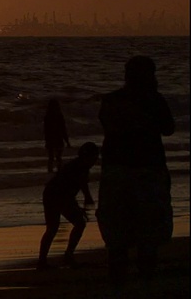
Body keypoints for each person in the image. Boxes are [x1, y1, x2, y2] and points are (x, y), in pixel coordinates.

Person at [96, 55, 175, 285]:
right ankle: (146, 275)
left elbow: (108, 126)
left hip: (115, 169)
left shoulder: (111, 100)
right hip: (148, 168)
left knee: (116, 225)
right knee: (149, 226)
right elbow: (168, 128)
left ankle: (118, 275)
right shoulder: (155, 100)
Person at [37, 141, 99, 270]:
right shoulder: (77, 168)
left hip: (52, 193)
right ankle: (65, 256)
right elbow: (69, 189)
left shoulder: (81, 167)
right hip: (55, 194)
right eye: (94, 157)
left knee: (54, 228)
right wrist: (85, 200)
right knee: (61, 226)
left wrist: (83, 201)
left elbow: (78, 187)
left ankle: (45, 260)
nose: (95, 160)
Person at [43, 99, 71, 173]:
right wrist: (67, 141)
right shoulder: (59, 116)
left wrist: (46, 140)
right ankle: (59, 170)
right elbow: (63, 129)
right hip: (58, 138)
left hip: (50, 138)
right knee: (58, 157)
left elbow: (46, 130)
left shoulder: (47, 116)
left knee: (51, 157)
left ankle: (50, 171)